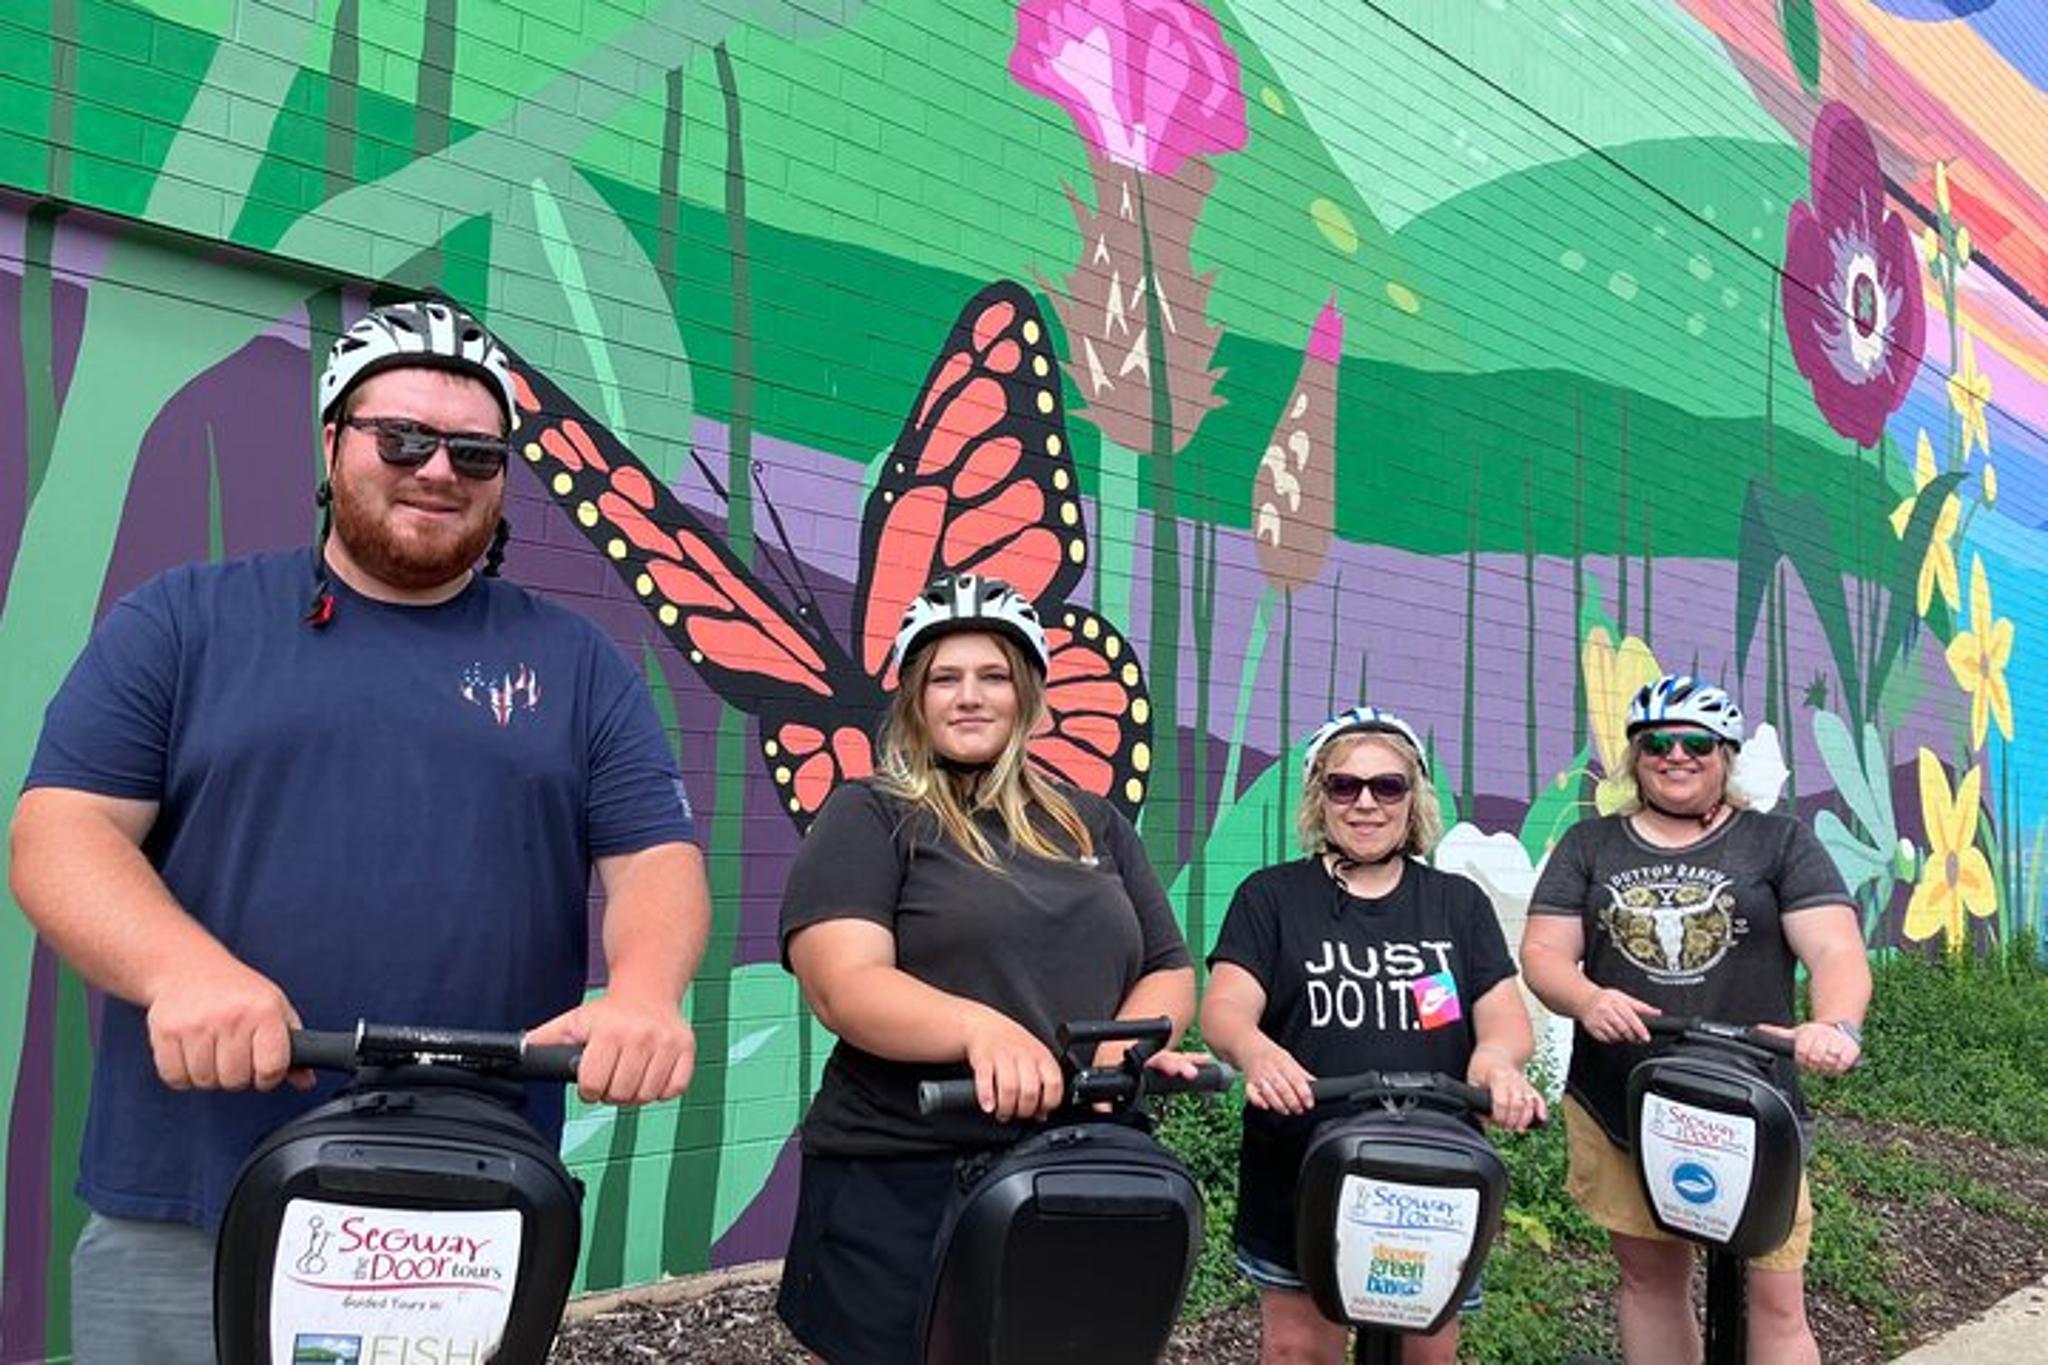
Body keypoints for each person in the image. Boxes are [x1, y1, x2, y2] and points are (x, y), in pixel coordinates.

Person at [9, 298, 710, 1365]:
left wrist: (646, 991)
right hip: (190, 1189)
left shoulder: (578, 666)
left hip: (463, 1202)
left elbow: (655, 857)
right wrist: (187, 975)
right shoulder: (182, 621)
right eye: (403, 439)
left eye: (474, 452)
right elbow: (62, 834)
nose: (438, 469)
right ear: (333, 441)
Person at [775, 572, 1200, 1365]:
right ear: (914, 697)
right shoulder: (870, 814)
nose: (969, 696)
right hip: (904, 1171)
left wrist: (1124, 1049)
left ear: (1029, 695)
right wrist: (980, 1030)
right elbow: (844, 983)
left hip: (1074, 1159)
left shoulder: (1093, 820)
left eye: (994, 675)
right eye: (944, 677)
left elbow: (1169, 967)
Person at [1520, 674, 1871, 1365]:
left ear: (1725, 754)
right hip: (1623, 1093)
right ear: (1634, 756)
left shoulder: (1778, 841)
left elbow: (1834, 945)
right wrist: (1588, 999)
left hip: (1752, 1095)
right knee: (1650, 1278)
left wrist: (1836, 1024)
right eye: (1657, 743)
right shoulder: (1591, 844)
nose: (1675, 755)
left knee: (1775, 1294)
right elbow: (1542, 951)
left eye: (1696, 743)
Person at [1201, 705, 1547, 1365]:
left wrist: (1498, 1062)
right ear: (1318, 798)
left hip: (1434, 1169)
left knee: (1426, 1350)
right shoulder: (1271, 897)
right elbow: (1225, 1006)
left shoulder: (1455, 903)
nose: (1366, 802)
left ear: (1413, 798)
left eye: (1387, 785)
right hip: (1303, 1160)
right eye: (1344, 785)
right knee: (1300, 1348)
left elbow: (1501, 1015)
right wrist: (1257, 1049)